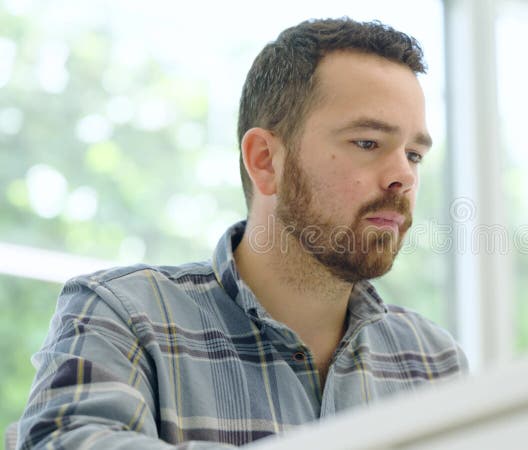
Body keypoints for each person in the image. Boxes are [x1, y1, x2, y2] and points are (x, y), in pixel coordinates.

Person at [14, 18, 468, 449]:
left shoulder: (433, 362)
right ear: (265, 161)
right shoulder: (124, 317)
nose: (402, 177)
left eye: (414, 155)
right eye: (368, 143)